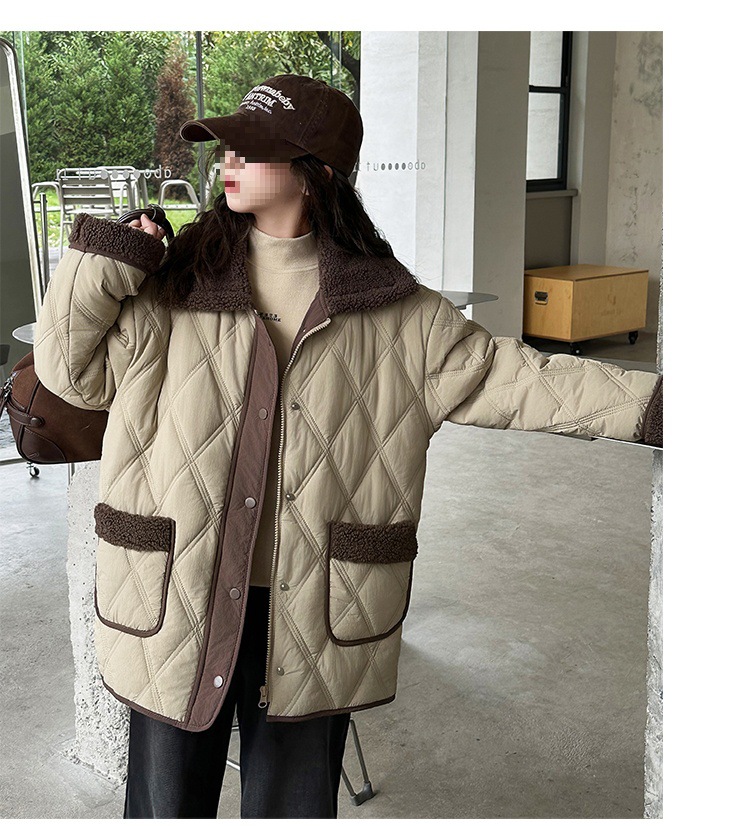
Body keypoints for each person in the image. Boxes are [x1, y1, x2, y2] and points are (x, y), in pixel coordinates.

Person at [33, 74, 663, 820]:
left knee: (293, 809)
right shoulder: (173, 287)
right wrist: (106, 259)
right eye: (227, 145)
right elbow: (69, 371)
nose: (228, 160)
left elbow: (522, 380)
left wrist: (663, 408)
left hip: (313, 608)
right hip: (178, 592)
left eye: (253, 148)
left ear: (316, 171)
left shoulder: (400, 314)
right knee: (165, 806)